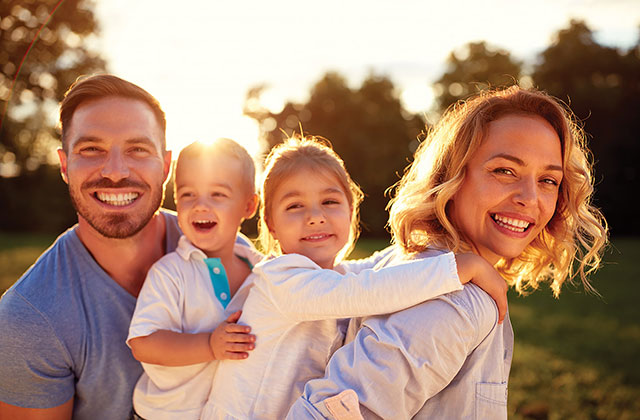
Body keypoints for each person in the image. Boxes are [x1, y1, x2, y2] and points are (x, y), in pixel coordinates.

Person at [287, 86, 609, 419]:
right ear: (453, 176)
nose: (529, 197)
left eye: (547, 180)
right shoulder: (455, 302)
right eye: (504, 171)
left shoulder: (401, 264)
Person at [201, 136, 508, 420]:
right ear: (271, 224)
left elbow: (380, 266)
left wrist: (431, 241)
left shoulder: (335, 275)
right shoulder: (280, 277)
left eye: (330, 202)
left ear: (351, 209)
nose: (315, 216)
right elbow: (364, 291)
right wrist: (457, 268)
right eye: (295, 206)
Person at [0, 75, 242, 419]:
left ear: (166, 166)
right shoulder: (30, 319)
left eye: (137, 149)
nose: (115, 172)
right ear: (65, 165)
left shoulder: (222, 248)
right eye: (91, 149)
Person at [126, 139, 262, 420]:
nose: (200, 205)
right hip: (166, 414)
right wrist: (210, 345)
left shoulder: (262, 269)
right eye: (188, 194)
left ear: (248, 206)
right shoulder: (171, 273)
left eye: (217, 194)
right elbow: (143, 342)